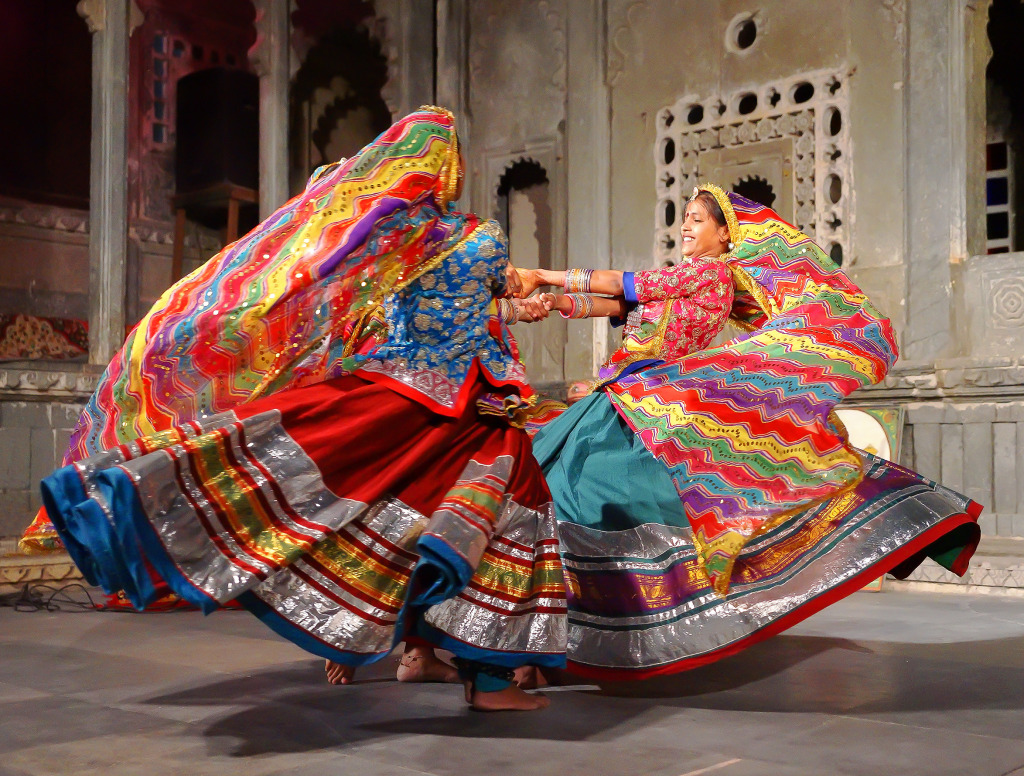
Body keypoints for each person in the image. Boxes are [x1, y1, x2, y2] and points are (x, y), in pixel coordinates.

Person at [39, 107, 566, 711]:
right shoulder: (480, 235)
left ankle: (422, 654)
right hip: (460, 408)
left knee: (386, 508)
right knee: (495, 509)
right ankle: (489, 680)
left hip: (394, 393)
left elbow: (378, 294)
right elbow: (487, 294)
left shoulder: (386, 238)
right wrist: (531, 291)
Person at [512, 183, 981, 680]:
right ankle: (543, 637)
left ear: (725, 233)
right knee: (557, 485)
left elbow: (628, 284)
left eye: (697, 218)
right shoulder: (681, 280)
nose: (686, 226)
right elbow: (618, 305)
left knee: (581, 493)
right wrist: (550, 303)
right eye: (684, 218)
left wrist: (545, 273)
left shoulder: (710, 273)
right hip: (622, 395)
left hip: (648, 403)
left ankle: (557, 641)